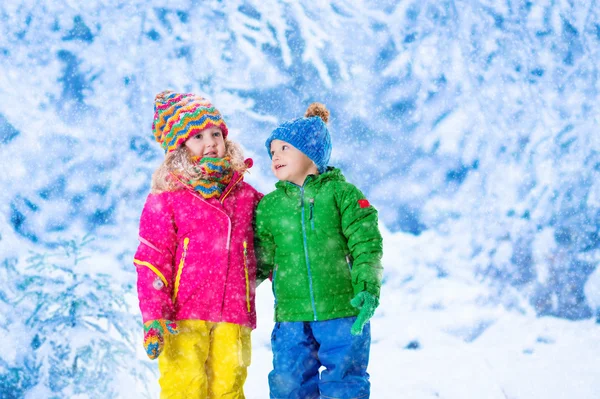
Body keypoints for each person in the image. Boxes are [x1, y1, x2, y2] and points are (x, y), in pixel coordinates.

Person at [133, 90, 262, 398]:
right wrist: (155, 316)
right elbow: (152, 259)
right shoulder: (167, 199)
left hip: (233, 313)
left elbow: (274, 239)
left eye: (216, 133)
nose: (210, 143)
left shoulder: (245, 196)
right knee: (185, 388)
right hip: (182, 317)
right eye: (198, 136)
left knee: (229, 387)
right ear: (179, 149)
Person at [255, 103, 384, 399]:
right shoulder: (270, 207)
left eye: (284, 148)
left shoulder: (342, 195)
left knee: (345, 383)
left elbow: (366, 244)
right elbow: (259, 259)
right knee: (289, 384)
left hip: (342, 312)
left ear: (311, 152)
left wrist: (367, 287)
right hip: (291, 316)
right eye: (272, 151)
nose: (275, 156)